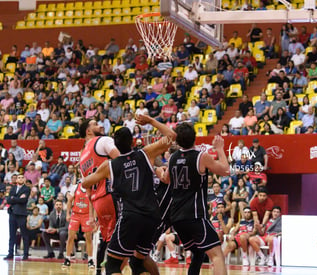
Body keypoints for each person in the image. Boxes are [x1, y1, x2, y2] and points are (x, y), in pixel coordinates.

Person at [82, 114, 176, 275]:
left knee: (112, 265)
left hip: (130, 216)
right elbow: (172, 136)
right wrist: (151, 121)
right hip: (152, 216)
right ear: (132, 141)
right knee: (138, 263)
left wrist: (97, 170)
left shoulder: (109, 165)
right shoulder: (145, 153)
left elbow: (85, 183)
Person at [163, 123, 229, 275]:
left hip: (177, 218)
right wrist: (219, 149)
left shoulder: (172, 158)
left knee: (198, 253)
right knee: (217, 255)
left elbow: (166, 179)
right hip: (195, 215)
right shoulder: (201, 157)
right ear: (194, 138)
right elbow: (225, 170)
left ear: (177, 141)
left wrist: (159, 171)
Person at [78, 118, 120, 275]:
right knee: (122, 238)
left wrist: (92, 216)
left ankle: (98, 271)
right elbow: (121, 160)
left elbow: (88, 192)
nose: (100, 125)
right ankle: (113, 270)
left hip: (98, 202)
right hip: (111, 194)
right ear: (88, 131)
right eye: (95, 124)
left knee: (107, 239)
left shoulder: (82, 159)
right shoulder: (103, 141)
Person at [63, 181, 95, 268]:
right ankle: (67, 258)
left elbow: (93, 204)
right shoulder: (75, 187)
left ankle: (90, 260)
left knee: (88, 237)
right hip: (75, 214)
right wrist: (68, 214)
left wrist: (92, 217)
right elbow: (69, 201)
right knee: (70, 237)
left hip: (86, 215)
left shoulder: (91, 187)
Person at [3, 174, 31, 261]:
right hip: (12, 213)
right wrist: (17, 198)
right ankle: (10, 253)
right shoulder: (13, 188)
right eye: (19, 177)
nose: (20, 179)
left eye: (22, 177)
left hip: (21, 214)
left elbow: (24, 200)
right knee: (12, 234)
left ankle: (25, 254)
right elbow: (8, 200)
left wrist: (13, 198)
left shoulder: (26, 188)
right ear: (16, 179)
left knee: (24, 235)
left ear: (24, 179)